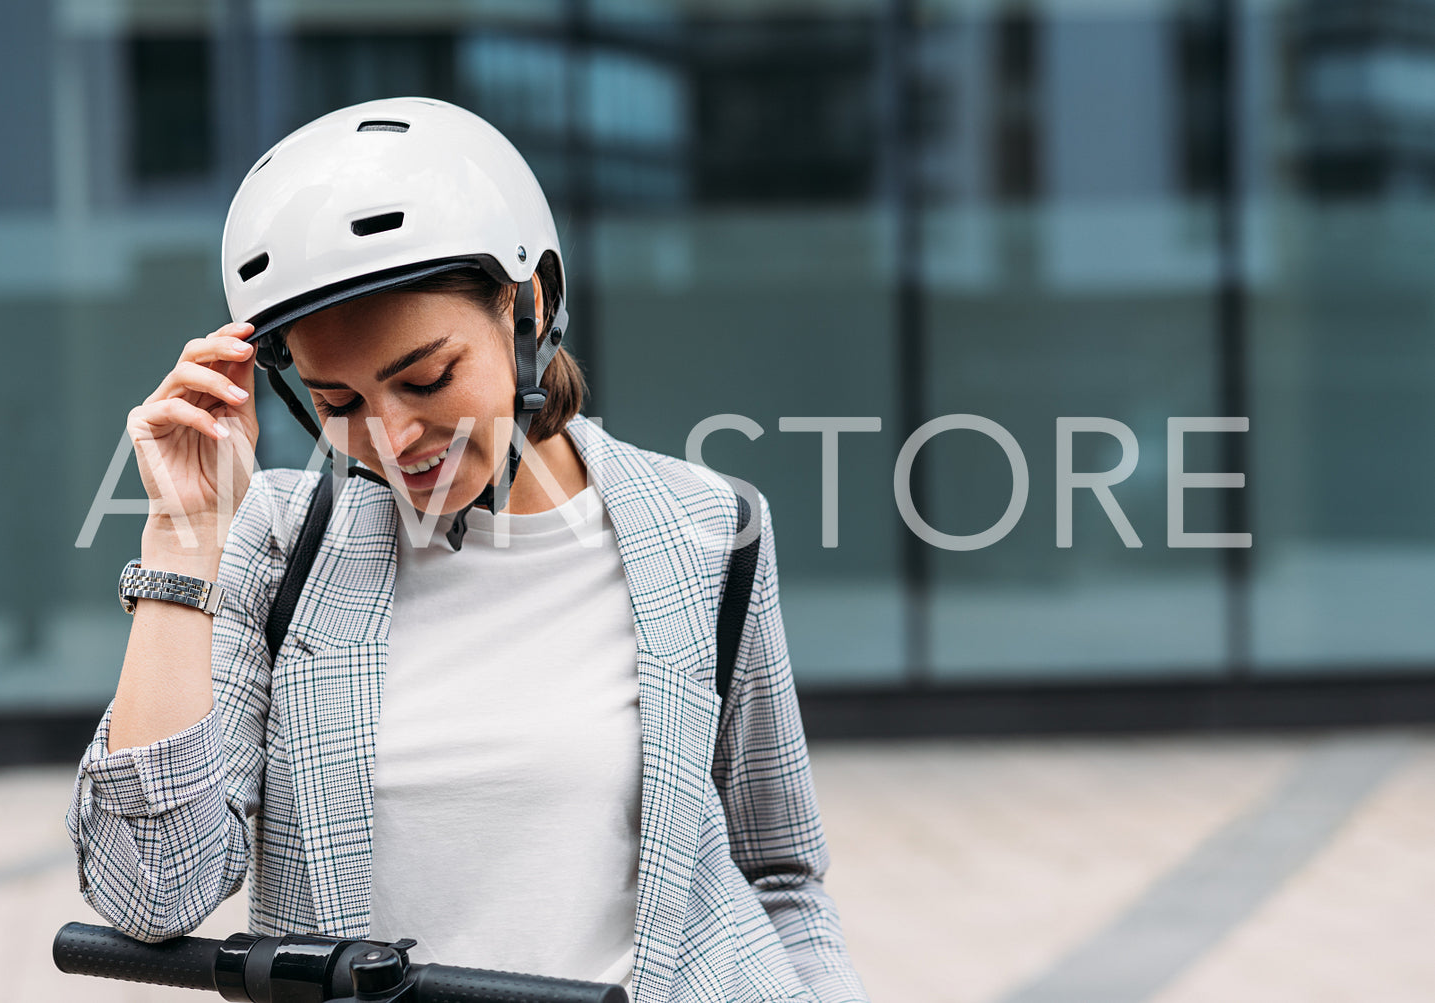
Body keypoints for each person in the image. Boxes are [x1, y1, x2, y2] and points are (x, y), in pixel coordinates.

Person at [65, 97, 867, 1003]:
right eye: (337, 402)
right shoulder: (278, 550)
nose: (392, 433)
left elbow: (780, 876)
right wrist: (183, 540)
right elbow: (147, 893)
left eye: (426, 376)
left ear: (529, 308)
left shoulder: (708, 528)